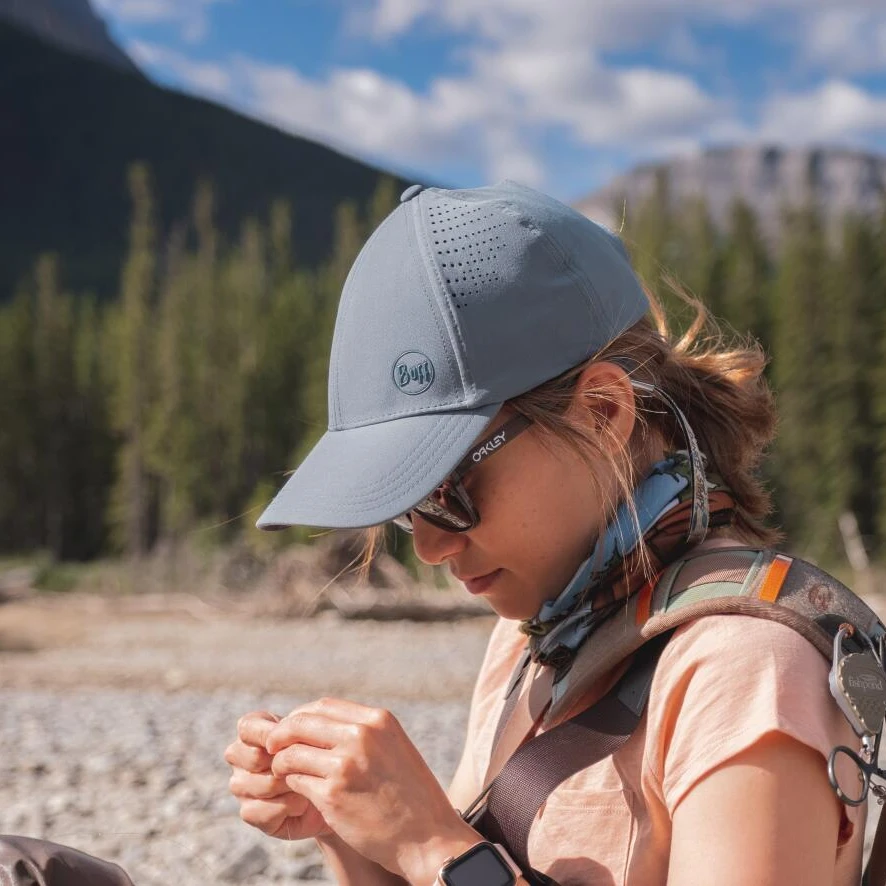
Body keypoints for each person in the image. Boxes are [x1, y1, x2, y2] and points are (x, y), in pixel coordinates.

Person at [224, 181, 867, 885]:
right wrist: (353, 835)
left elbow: (457, 869)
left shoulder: (743, 671)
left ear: (602, 412)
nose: (432, 547)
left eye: (449, 491)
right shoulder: (536, 636)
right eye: (407, 506)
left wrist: (435, 851)